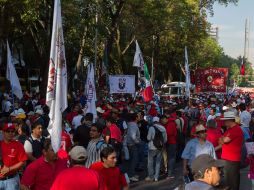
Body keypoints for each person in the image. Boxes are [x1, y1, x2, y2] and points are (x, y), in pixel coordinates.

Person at [219, 111, 243, 190]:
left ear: (229, 120)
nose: (224, 122)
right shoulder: (230, 129)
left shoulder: (235, 129)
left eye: (225, 120)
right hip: (228, 160)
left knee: (232, 183)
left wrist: (222, 139)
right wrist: (222, 139)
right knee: (229, 182)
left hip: (232, 160)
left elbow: (224, 140)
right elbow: (221, 140)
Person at [0, 123, 28, 190]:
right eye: (8, 131)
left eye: (12, 131)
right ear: (3, 132)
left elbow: (23, 162)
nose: (10, 133)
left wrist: (9, 169)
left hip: (11, 180)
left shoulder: (18, 145)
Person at [145, 116, 167, 182]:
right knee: (158, 162)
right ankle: (156, 177)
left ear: (153, 121)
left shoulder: (151, 128)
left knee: (150, 162)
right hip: (160, 147)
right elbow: (165, 139)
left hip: (152, 147)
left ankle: (151, 176)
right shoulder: (163, 128)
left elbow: (148, 138)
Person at [126, 113, 140, 182]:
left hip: (130, 144)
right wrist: (138, 142)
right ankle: (131, 175)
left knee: (132, 160)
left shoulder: (130, 124)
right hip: (132, 144)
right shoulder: (133, 125)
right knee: (134, 160)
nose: (140, 117)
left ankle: (132, 174)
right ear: (136, 118)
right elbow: (133, 136)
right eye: (138, 116)